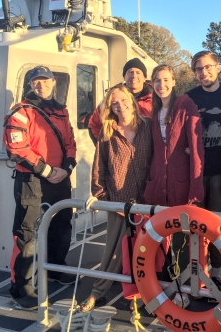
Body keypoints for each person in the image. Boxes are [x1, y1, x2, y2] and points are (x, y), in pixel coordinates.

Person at [3, 66, 77, 310]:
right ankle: (20, 286)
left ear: (53, 83)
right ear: (30, 84)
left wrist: (66, 168)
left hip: (60, 179)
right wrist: (47, 171)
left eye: (45, 81)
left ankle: (55, 266)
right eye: (36, 81)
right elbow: (17, 148)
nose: (41, 85)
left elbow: (70, 143)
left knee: (61, 224)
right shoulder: (21, 111)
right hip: (32, 182)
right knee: (27, 234)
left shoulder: (62, 111)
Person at [80, 84, 153, 312]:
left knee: (144, 251)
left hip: (145, 201)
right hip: (119, 200)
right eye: (114, 103)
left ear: (131, 101)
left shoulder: (148, 127)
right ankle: (99, 289)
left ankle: (140, 293)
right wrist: (101, 194)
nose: (119, 105)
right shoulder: (107, 130)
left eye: (123, 100)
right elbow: (98, 164)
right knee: (113, 249)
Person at [143, 64, 204, 307]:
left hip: (181, 183)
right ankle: (166, 282)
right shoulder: (153, 110)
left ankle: (183, 288)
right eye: (157, 80)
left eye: (165, 80)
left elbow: (196, 148)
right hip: (159, 183)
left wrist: (196, 186)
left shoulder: (185, 105)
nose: (161, 85)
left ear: (174, 81)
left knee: (180, 238)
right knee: (160, 236)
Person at [185, 51, 221, 287]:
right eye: (198, 69)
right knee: (194, 225)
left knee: (217, 224)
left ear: (218, 68)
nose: (203, 72)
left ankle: (217, 270)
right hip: (195, 173)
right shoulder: (188, 98)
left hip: (220, 171)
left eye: (208, 67)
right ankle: (196, 270)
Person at [88, 57, 152, 144]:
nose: (134, 76)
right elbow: (94, 124)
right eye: (130, 72)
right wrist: (104, 147)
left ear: (144, 77)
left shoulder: (155, 99)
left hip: (147, 153)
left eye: (138, 72)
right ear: (124, 77)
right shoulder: (111, 98)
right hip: (119, 154)